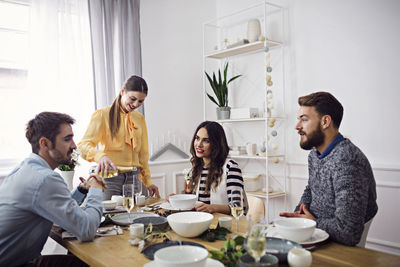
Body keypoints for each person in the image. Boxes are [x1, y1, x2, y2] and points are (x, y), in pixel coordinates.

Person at [0, 112, 106, 267]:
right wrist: (96, 189)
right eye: (67, 139)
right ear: (45, 143)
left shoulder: (26, 168)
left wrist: (83, 190)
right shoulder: (45, 179)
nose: (74, 145)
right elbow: (86, 230)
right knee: (94, 262)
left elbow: (57, 212)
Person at [279, 92, 378, 246]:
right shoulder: (314, 153)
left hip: (338, 244)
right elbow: (311, 188)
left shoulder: (348, 160)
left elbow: (348, 232)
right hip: (316, 233)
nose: (297, 126)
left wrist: (311, 223)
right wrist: (297, 216)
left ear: (325, 121)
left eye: (304, 119)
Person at [78, 75, 160, 200]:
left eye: (140, 101)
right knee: (108, 218)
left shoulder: (139, 119)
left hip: (134, 179)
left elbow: (143, 154)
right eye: (132, 99)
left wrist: (148, 182)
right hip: (109, 180)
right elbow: (83, 146)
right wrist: (100, 156)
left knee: (137, 218)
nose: (136, 104)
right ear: (122, 92)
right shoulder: (102, 115)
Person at [182, 121, 248, 215]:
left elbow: (238, 207)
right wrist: (177, 200)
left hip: (224, 226)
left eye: (206, 140)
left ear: (216, 144)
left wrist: (212, 208)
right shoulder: (197, 168)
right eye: (197, 138)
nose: (199, 144)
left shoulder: (230, 167)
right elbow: (195, 203)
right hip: (201, 223)